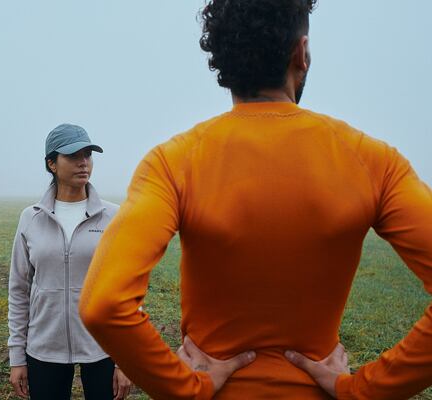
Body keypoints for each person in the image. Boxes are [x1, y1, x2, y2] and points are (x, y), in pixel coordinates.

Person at [79, 0, 432, 399]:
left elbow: (103, 304)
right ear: (301, 53)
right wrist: (362, 390)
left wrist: (186, 388)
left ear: (224, 62)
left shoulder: (173, 162)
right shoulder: (373, 161)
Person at [7, 123, 132, 400]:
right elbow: (18, 289)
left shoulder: (113, 216)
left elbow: (126, 290)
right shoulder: (31, 218)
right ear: (52, 163)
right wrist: (17, 357)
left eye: (87, 155)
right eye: (73, 156)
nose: (83, 163)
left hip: (102, 345)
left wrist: (125, 360)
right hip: (44, 346)